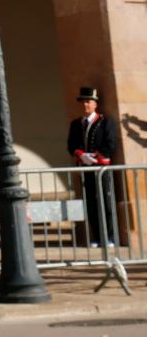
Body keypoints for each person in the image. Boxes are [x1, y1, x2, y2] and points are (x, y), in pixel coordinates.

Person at [67, 87, 118, 247]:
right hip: (85, 168)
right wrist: (81, 155)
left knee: (106, 202)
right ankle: (97, 237)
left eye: (88, 102)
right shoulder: (76, 124)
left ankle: (109, 237)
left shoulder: (105, 122)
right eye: (83, 102)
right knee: (91, 203)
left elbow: (110, 144)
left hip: (101, 169)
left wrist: (95, 157)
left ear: (95, 104)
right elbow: (71, 145)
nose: (85, 105)